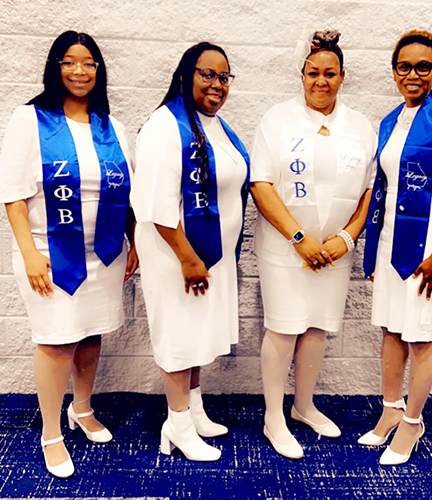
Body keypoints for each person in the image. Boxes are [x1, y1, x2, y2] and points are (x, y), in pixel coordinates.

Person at [0, 31, 137, 478]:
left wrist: (131, 240)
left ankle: (82, 408)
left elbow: (125, 190)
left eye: (89, 63)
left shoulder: (109, 125)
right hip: (49, 252)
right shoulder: (31, 118)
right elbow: (14, 195)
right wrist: (28, 252)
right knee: (57, 339)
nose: (80, 71)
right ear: (55, 67)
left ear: (99, 70)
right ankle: (51, 433)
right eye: (70, 62)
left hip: (103, 253)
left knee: (91, 333)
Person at [250, 30, 377, 459]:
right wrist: (299, 238)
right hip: (287, 248)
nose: (320, 81)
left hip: (334, 252)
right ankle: (273, 416)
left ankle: (303, 406)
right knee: (284, 328)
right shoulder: (277, 119)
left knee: (318, 329)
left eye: (330, 73)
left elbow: (368, 192)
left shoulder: (359, 125)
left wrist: (347, 236)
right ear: (301, 75)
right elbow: (261, 184)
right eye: (312, 73)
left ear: (343, 76)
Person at [360, 30, 432, 465]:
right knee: (391, 330)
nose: (413, 74)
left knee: (421, 335)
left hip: (430, 248)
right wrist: (373, 252)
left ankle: (413, 422)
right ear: (394, 71)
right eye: (404, 66)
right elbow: (384, 189)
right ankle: (390, 411)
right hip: (393, 242)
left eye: (422, 66)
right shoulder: (393, 119)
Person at [131, 42, 250, 462]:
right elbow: (155, 203)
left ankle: (194, 409)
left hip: (208, 254)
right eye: (207, 74)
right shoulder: (165, 125)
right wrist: (186, 257)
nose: (217, 84)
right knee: (179, 336)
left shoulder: (216, 124)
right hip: (175, 256)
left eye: (224, 76)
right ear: (186, 74)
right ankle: (177, 424)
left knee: (198, 332)